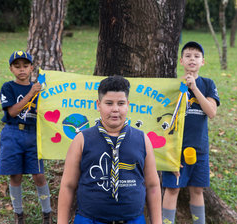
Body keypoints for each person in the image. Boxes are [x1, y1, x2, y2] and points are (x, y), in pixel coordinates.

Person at [58, 76, 162, 224]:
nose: (115, 109)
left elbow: (152, 185)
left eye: (121, 103)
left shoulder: (142, 140)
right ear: (98, 105)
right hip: (89, 220)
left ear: (128, 105)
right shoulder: (82, 139)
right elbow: (68, 185)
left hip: (133, 220)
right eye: (109, 103)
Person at [162, 42, 220, 224]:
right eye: (188, 56)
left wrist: (194, 88)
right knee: (172, 189)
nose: (192, 59)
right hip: (175, 149)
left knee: (197, 190)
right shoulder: (173, 86)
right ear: (181, 61)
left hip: (199, 149)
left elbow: (211, 112)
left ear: (203, 61)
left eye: (196, 56)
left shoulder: (207, 84)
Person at [0, 51, 52, 224]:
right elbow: (13, 112)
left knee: (39, 175)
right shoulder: (8, 87)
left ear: (31, 68)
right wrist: (31, 93)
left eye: (25, 66)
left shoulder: (40, 88)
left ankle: (47, 214)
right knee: (15, 175)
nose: (21, 70)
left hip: (32, 134)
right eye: (17, 66)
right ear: (11, 69)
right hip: (13, 133)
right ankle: (18, 214)